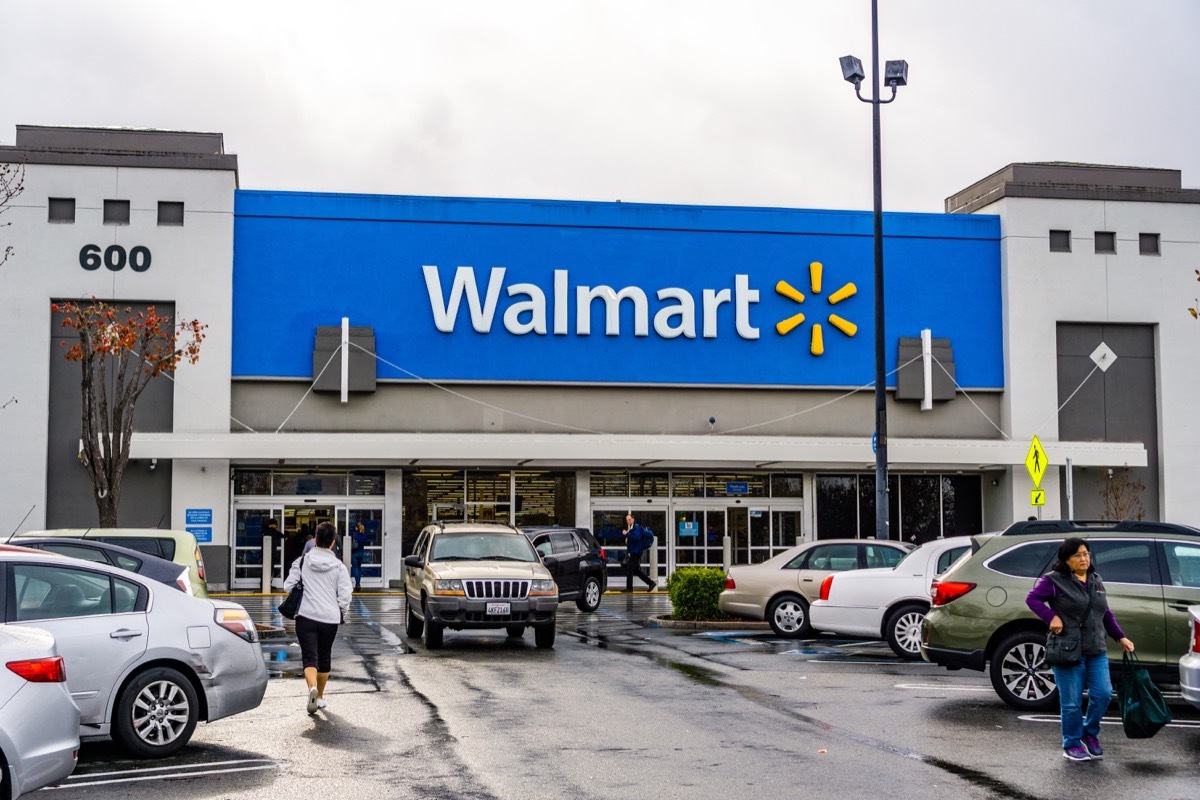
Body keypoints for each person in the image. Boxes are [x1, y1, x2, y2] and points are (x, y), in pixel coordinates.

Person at [1025, 537, 1135, 761]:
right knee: (1072, 702)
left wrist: (1120, 637)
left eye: (1086, 553)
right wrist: (1051, 616)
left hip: (1096, 649)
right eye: (1077, 555)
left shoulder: (1096, 580)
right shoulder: (1054, 581)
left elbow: (1105, 613)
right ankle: (1072, 743)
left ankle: (1089, 733)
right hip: (1068, 649)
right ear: (1066, 560)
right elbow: (1032, 599)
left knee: (1103, 694)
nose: (1084, 558)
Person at [284, 521, 352, 715]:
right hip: (329, 619)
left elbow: (288, 586)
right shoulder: (339, 567)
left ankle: (311, 688)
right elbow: (345, 595)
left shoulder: (302, 561)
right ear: (332, 543)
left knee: (309, 658)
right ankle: (320, 697)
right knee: (324, 657)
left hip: (306, 616)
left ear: (315, 539)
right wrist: (341, 613)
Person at [621, 513, 656, 592]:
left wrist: (627, 534)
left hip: (636, 552)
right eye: (627, 520)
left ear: (633, 519)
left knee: (629, 569)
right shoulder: (631, 528)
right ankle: (651, 583)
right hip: (634, 551)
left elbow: (636, 538)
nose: (628, 521)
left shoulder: (636, 527)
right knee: (636, 570)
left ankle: (629, 588)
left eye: (629, 519)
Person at [350, 521, 369, 591]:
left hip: (355, 553)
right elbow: (366, 541)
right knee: (359, 568)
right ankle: (358, 583)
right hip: (361, 553)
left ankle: (357, 584)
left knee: (355, 568)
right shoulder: (364, 535)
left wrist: (355, 531)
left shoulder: (355, 534)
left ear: (356, 528)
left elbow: (351, 537)